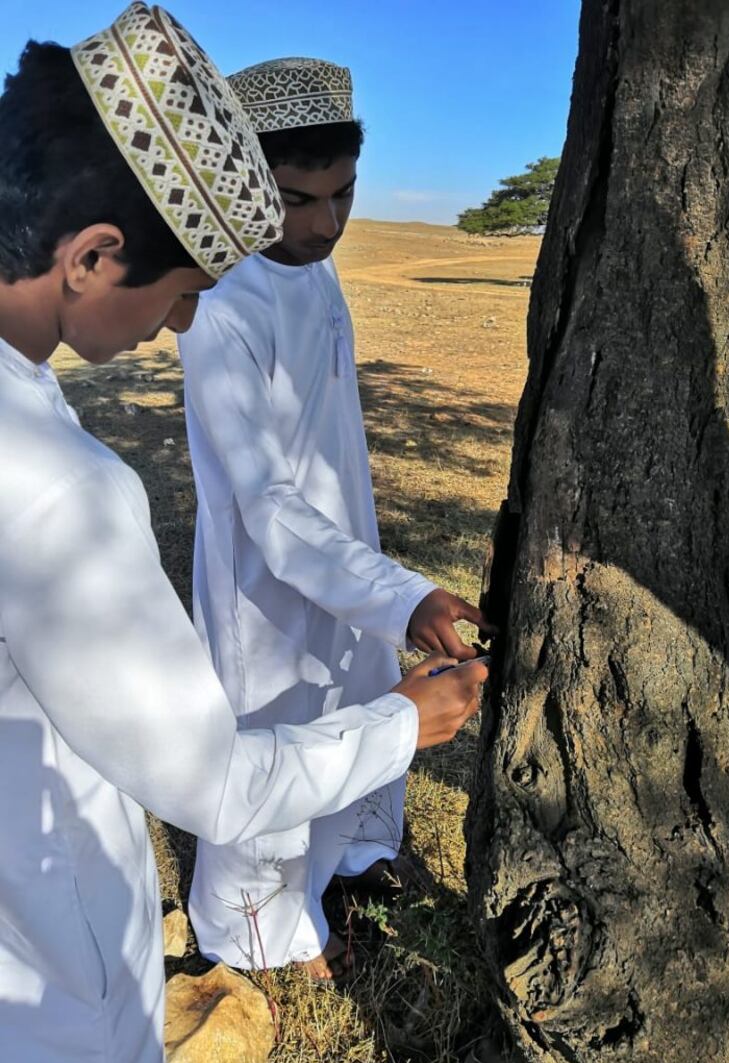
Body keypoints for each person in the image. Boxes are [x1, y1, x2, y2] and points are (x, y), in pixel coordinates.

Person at [0, 8, 487, 1063]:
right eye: (180, 291)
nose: (179, 325)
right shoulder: (52, 485)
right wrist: (406, 719)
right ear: (93, 255)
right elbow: (213, 777)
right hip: (39, 978)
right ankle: (257, 927)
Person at [179, 56, 493, 981]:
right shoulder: (221, 306)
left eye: (343, 194)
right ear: (247, 181)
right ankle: (262, 934)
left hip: (348, 550)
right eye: (297, 198)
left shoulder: (314, 272)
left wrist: (386, 589)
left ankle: (353, 864)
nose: (325, 224)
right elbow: (268, 506)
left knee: (357, 697)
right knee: (275, 729)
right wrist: (399, 596)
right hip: (263, 578)